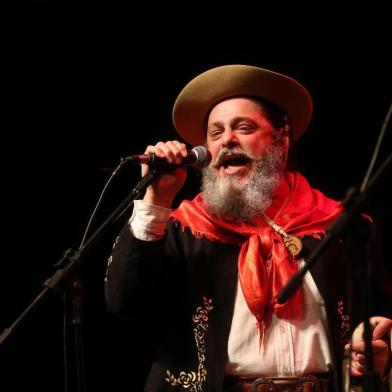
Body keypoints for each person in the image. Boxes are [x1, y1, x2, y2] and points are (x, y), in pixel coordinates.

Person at [105, 64, 392, 392]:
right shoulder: (183, 229)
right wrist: (155, 200)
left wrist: (378, 353)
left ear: (281, 140)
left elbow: (379, 319)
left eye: (243, 127)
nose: (227, 140)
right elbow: (124, 304)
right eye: (215, 133)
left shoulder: (341, 229)